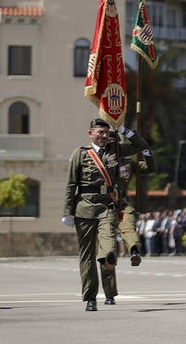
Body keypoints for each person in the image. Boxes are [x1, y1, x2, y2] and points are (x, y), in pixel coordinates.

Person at [63, 118, 144, 311]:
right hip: (84, 207)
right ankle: (91, 298)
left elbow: (141, 145)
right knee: (86, 256)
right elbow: (71, 184)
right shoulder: (80, 154)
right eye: (100, 132)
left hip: (107, 206)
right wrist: (68, 212)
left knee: (108, 245)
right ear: (90, 133)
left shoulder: (115, 150)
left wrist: (124, 129)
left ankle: (109, 258)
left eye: (106, 133)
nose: (104, 136)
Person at [115, 130, 157, 268]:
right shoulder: (96, 161)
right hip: (103, 203)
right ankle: (107, 256)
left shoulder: (127, 163)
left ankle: (134, 251)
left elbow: (150, 168)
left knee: (128, 227)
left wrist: (145, 151)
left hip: (122, 203)